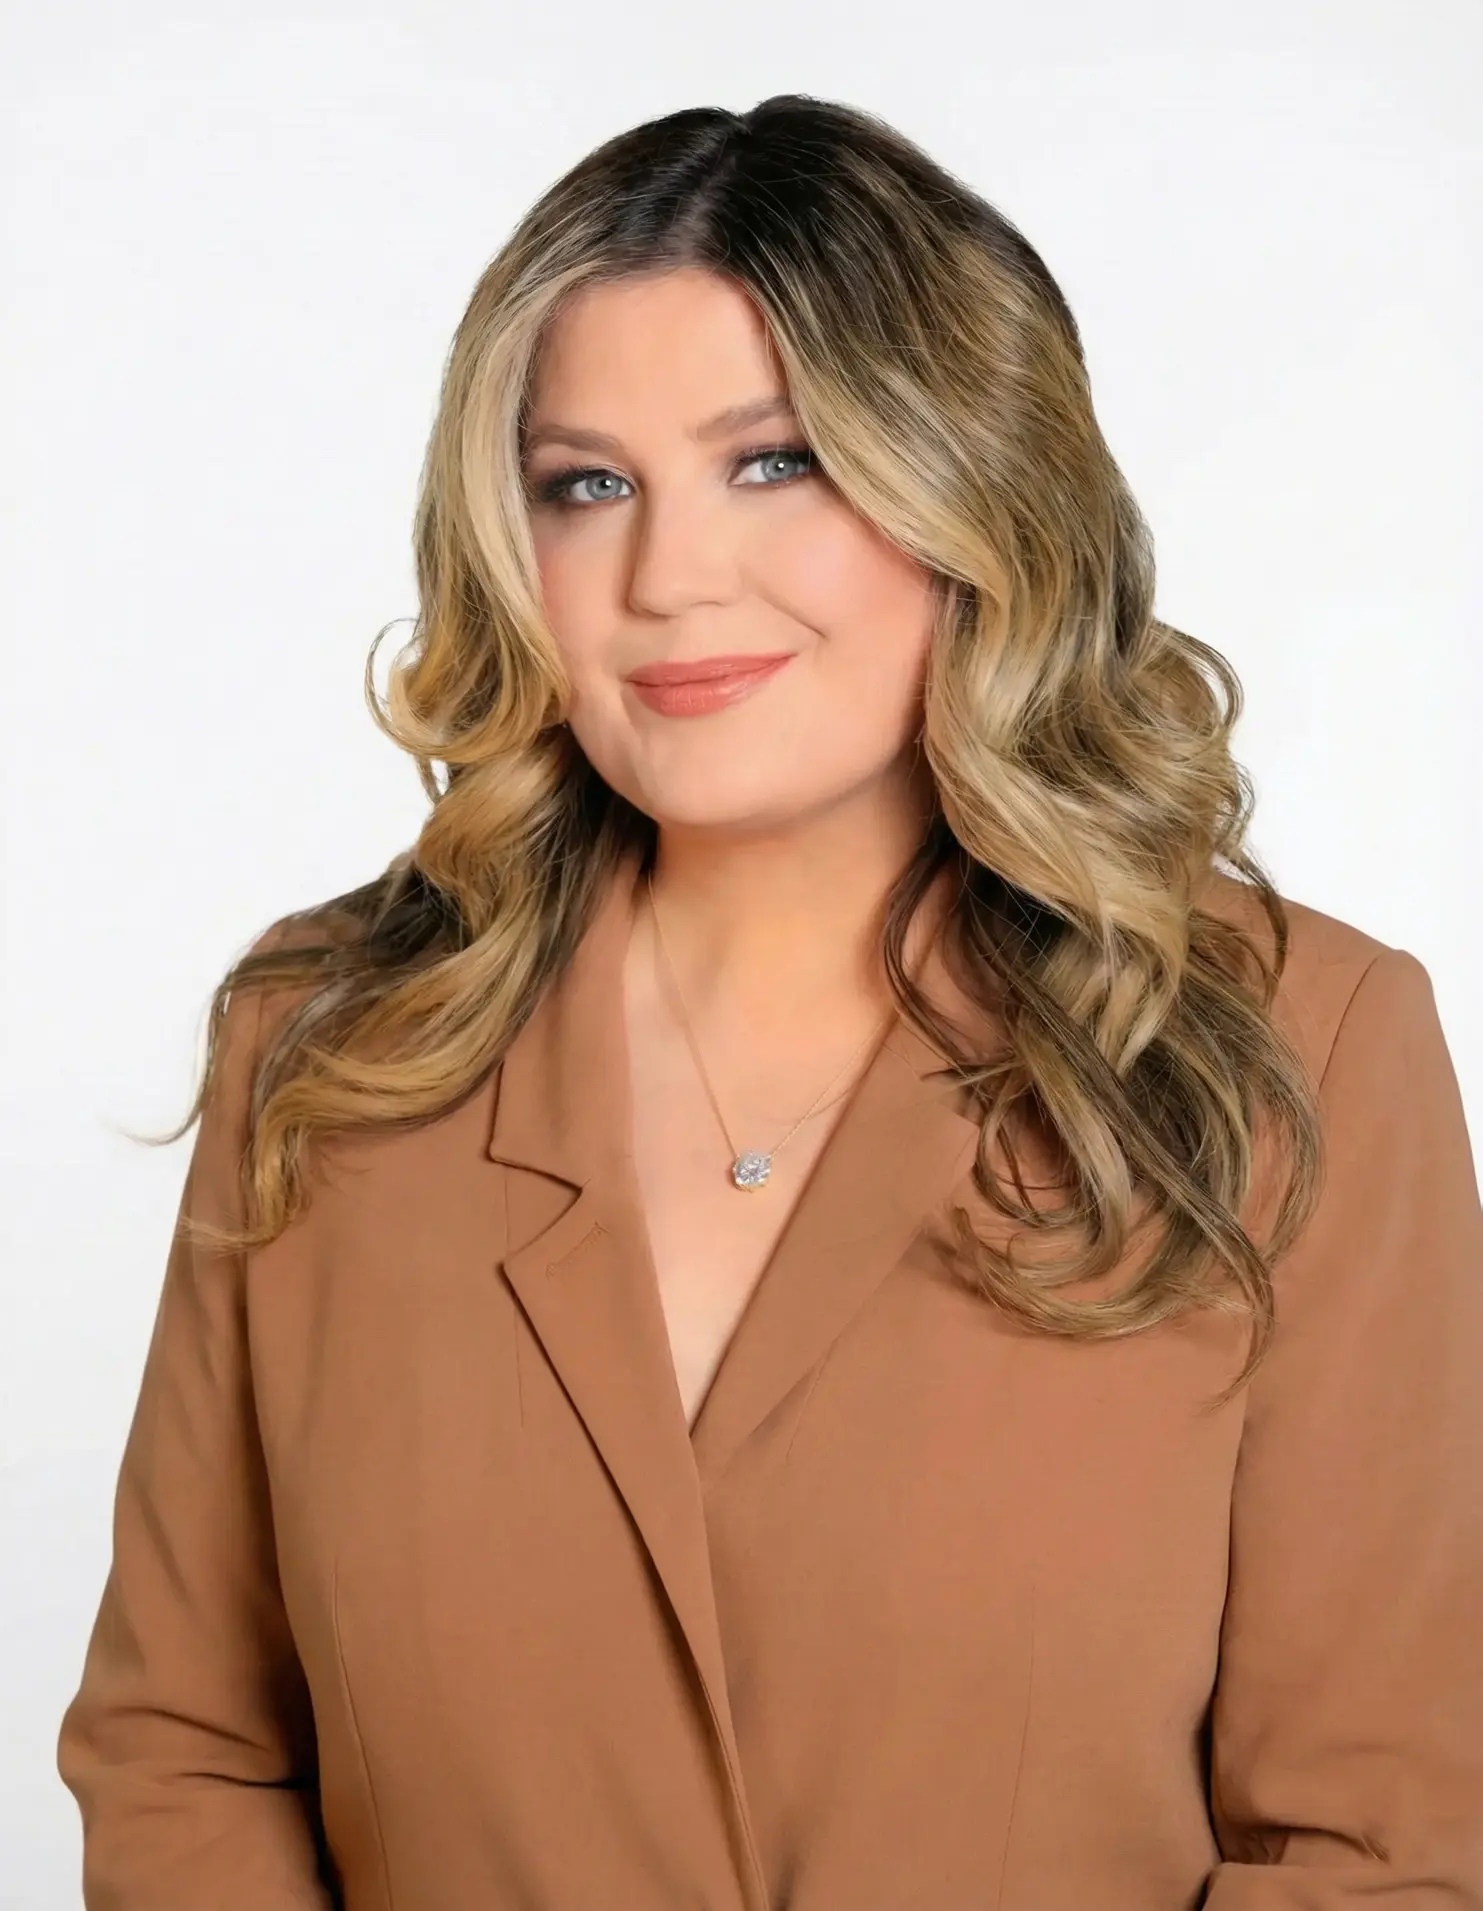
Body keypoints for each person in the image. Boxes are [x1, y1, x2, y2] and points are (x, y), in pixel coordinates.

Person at [56, 93, 1483, 1910]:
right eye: (587, 485)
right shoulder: (332, 1051)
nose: (666, 580)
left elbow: (1373, 1848)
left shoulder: (1301, 1049)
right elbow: (186, 1753)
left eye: (774, 459)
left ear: (969, 484)